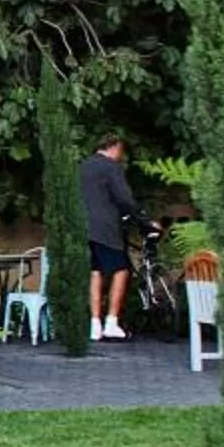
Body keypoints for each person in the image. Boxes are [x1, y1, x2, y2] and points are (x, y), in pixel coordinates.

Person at [80, 134, 148, 340]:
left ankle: (94, 324)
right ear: (114, 147)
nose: (120, 157)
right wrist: (143, 220)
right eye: (120, 152)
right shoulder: (110, 167)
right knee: (121, 269)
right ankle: (111, 321)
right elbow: (124, 198)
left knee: (96, 271)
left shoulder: (81, 166)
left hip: (83, 227)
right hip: (106, 228)